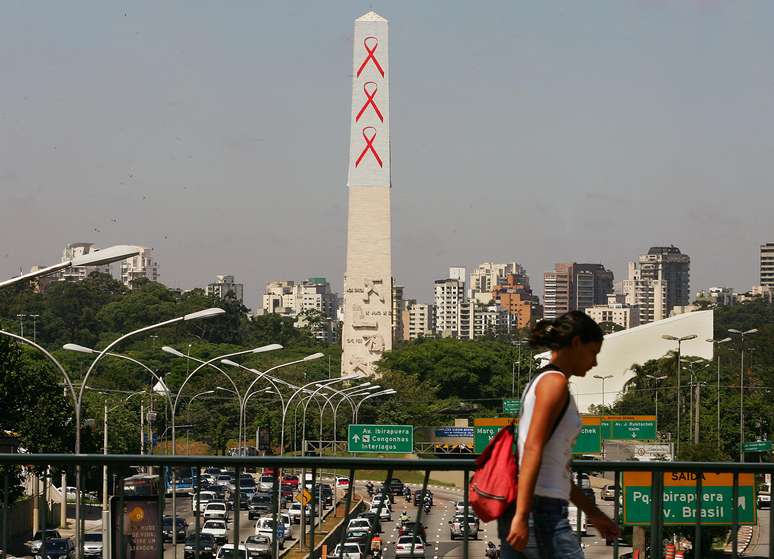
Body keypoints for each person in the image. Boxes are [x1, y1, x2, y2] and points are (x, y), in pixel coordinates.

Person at [500, 311, 619, 559]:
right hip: (539, 512)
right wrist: (523, 515)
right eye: (593, 352)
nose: (595, 362)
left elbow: (557, 468)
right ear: (576, 343)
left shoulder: (546, 381)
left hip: (543, 508)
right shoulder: (553, 384)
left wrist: (593, 512)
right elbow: (533, 448)